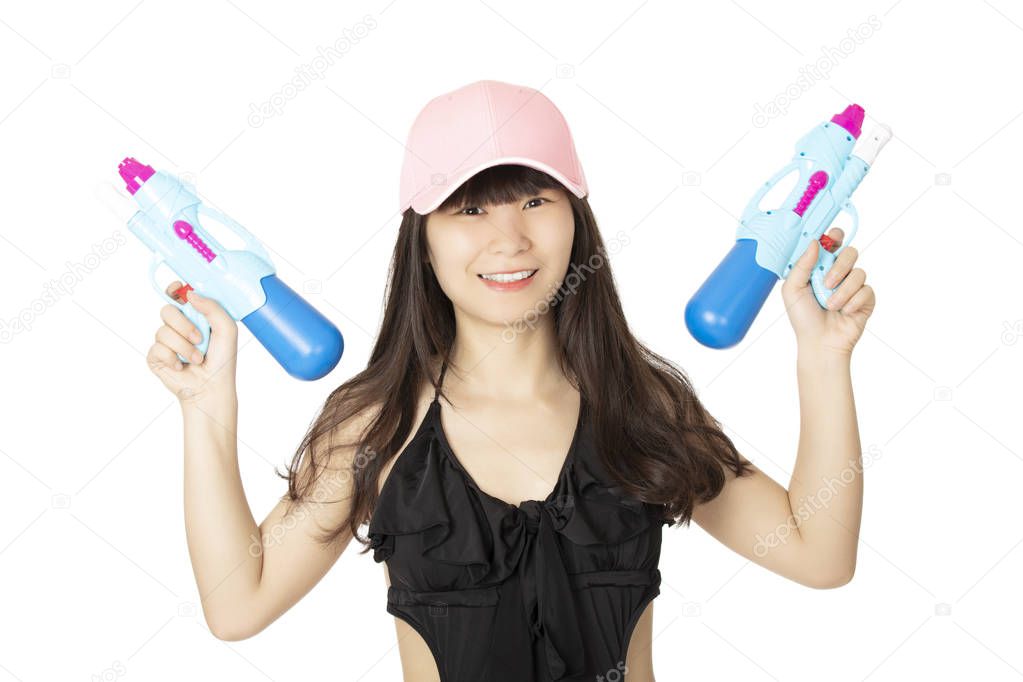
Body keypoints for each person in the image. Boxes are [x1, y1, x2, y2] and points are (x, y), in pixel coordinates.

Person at [145, 79, 874, 681]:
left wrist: (823, 354)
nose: (508, 240)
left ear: (576, 221)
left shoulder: (640, 407)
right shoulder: (379, 425)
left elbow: (818, 553)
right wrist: (206, 405)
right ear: (421, 240)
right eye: (468, 208)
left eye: (534, 200)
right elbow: (236, 605)